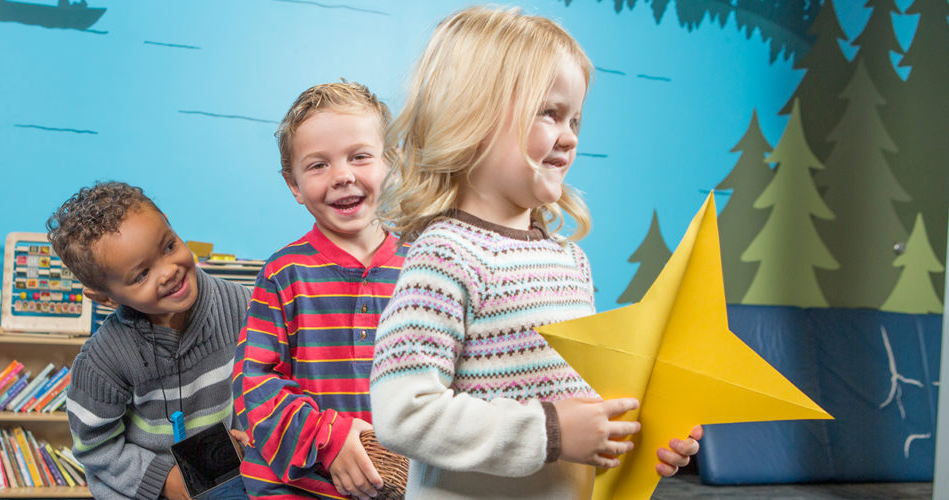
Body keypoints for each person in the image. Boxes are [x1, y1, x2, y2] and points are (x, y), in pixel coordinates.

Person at [368, 6, 702, 498]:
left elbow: (578, 404)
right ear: (471, 114)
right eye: (550, 113)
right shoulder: (445, 257)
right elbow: (403, 413)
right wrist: (549, 430)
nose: (569, 137)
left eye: (576, 119)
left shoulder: (569, 261)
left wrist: (635, 437)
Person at [232, 81, 408, 500]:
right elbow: (252, 382)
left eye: (360, 156)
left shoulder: (424, 267)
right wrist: (328, 438)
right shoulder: (284, 272)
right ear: (293, 185)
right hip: (298, 486)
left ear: (392, 163)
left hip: (401, 485)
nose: (343, 176)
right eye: (317, 165)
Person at [47, 181, 251, 500]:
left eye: (168, 246)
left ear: (169, 224)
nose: (168, 271)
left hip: (231, 479)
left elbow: (269, 376)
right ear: (104, 297)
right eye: (142, 275)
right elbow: (95, 447)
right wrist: (165, 480)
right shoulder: (102, 362)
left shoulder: (242, 306)